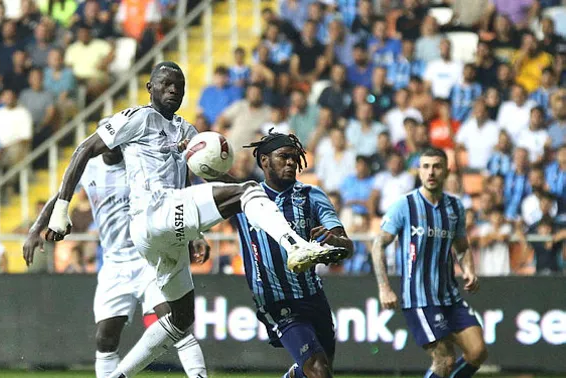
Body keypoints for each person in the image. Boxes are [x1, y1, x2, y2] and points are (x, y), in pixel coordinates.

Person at [24, 61, 345, 378]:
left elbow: (200, 182)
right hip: (152, 215)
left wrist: (200, 229)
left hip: (167, 233)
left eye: (179, 85)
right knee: (248, 192)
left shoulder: (187, 133)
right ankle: (295, 245)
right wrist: (61, 210)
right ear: (150, 88)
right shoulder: (138, 118)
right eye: (166, 83)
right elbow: (83, 149)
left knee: (180, 319)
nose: (173, 89)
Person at [33, 137, 209, 377]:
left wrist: (195, 233)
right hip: (113, 264)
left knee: (176, 321)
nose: (109, 143)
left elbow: (177, 192)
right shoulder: (87, 166)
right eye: (104, 138)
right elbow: (59, 197)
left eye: (114, 137)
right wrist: (35, 230)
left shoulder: (139, 162)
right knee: (105, 337)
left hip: (149, 257)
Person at [236, 131, 353, 378]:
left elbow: (347, 246)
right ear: (264, 160)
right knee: (318, 370)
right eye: (284, 157)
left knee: (321, 371)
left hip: (313, 296)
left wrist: (333, 241)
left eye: (295, 158)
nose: (291, 162)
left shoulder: (312, 196)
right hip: (276, 300)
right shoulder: (244, 197)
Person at [371, 148, 488, 378]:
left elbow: (462, 247)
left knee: (478, 352)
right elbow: (378, 245)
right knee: (444, 360)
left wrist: (469, 270)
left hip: (450, 297)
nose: (431, 172)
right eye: (425, 167)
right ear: (419, 171)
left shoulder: (455, 207)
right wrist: (384, 288)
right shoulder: (405, 205)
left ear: (447, 170)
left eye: (436, 166)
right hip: (419, 299)